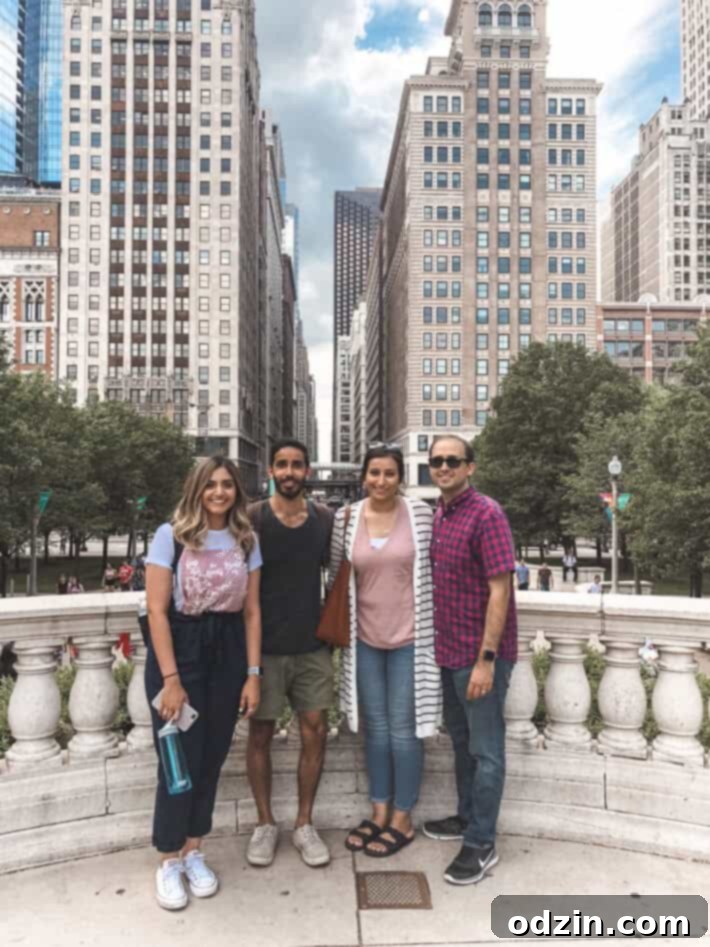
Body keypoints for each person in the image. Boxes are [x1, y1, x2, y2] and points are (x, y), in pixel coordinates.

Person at [144, 455, 262, 911]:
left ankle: (194, 848)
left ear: (237, 491)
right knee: (177, 759)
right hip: (182, 649)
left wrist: (252, 674)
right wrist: (171, 679)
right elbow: (157, 610)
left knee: (211, 755)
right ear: (196, 488)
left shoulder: (246, 539)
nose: (219, 492)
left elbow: (252, 612)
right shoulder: (169, 536)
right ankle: (168, 858)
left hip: (228, 652)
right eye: (210, 484)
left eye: (227, 484)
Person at [329, 444, 440, 859]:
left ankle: (402, 818)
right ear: (363, 477)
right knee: (374, 728)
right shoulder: (345, 519)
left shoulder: (421, 517)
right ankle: (378, 812)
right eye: (374, 473)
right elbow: (336, 578)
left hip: (412, 640)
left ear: (400, 477)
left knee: (403, 729)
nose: (380, 481)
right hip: (365, 642)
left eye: (389, 473)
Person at [423, 435, 517, 886]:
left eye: (452, 461)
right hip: (449, 653)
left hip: (479, 657)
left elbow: (501, 590)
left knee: (486, 750)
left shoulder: (487, 514)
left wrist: (487, 660)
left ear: (470, 467)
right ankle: (466, 818)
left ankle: (481, 842)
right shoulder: (440, 515)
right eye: (437, 461)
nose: (444, 467)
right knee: (462, 744)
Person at [245, 439, 334, 869]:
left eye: (297, 464)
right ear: (270, 469)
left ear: (308, 471)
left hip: (312, 646)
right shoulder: (252, 519)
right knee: (259, 733)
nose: (289, 471)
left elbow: (340, 572)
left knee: (315, 730)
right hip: (263, 650)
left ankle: (303, 823)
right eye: (282, 464)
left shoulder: (324, 520)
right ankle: (265, 823)